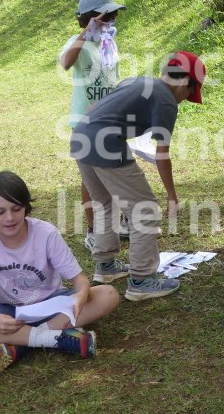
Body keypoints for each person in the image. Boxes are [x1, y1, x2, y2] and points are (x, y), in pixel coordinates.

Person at [0, 172, 120, 371]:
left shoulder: (45, 233)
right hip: (8, 311)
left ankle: (21, 343)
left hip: (51, 306)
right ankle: (54, 339)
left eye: (16, 208)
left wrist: (81, 295)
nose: (9, 218)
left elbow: (79, 280)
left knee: (108, 294)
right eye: (0, 212)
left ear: (26, 207)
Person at [70, 52, 206, 301]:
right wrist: (172, 197)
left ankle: (106, 267)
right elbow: (162, 154)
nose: (186, 100)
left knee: (104, 204)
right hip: (106, 143)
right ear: (185, 82)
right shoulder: (166, 100)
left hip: (81, 136)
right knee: (144, 209)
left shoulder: (137, 81)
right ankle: (142, 280)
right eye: (190, 93)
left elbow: (94, 108)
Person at [60, 0, 128, 251]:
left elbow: (113, 79)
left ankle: (117, 222)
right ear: (92, 18)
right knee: (91, 179)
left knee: (117, 171)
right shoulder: (77, 43)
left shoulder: (109, 44)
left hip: (111, 118)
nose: (111, 21)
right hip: (85, 122)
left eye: (113, 16)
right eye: (106, 15)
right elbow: (66, 63)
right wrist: (84, 34)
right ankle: (92, 231)